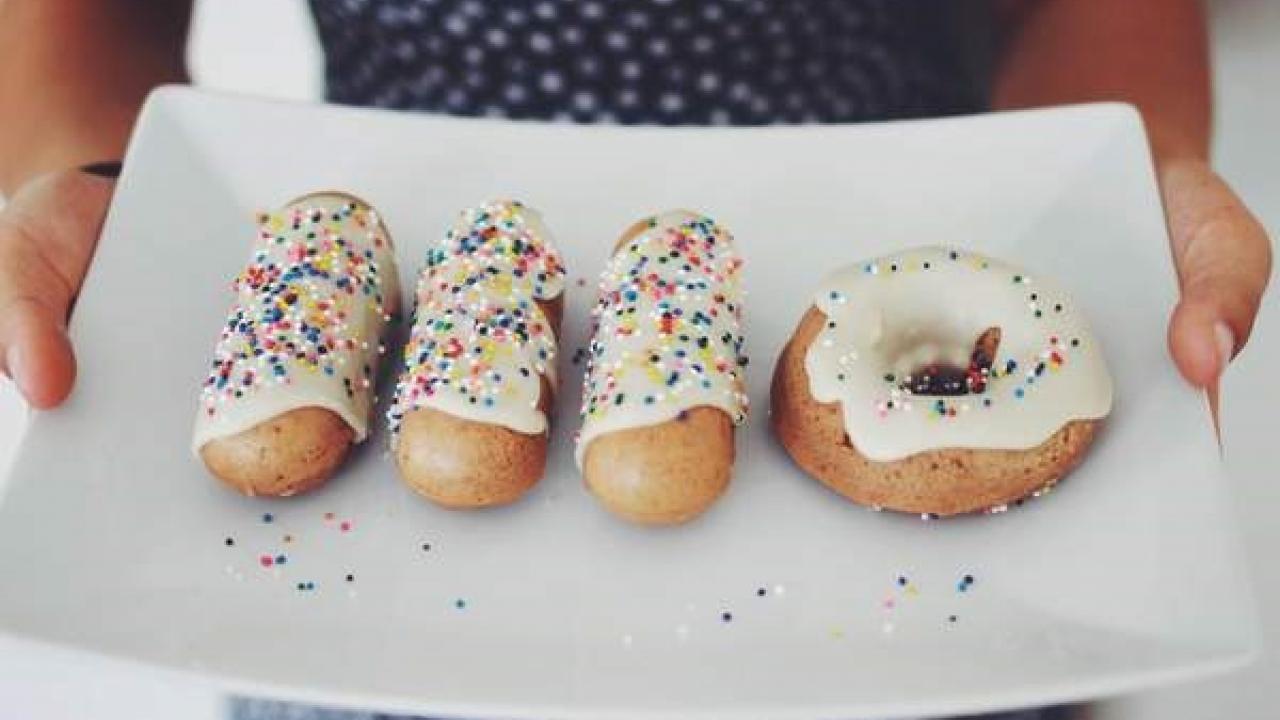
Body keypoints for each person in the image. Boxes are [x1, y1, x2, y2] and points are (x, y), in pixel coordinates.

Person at [0, 1, 1271, 719]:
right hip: (353, 661)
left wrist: (1109, 192)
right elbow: (77, 26)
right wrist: (124, 192)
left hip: (933, 544)